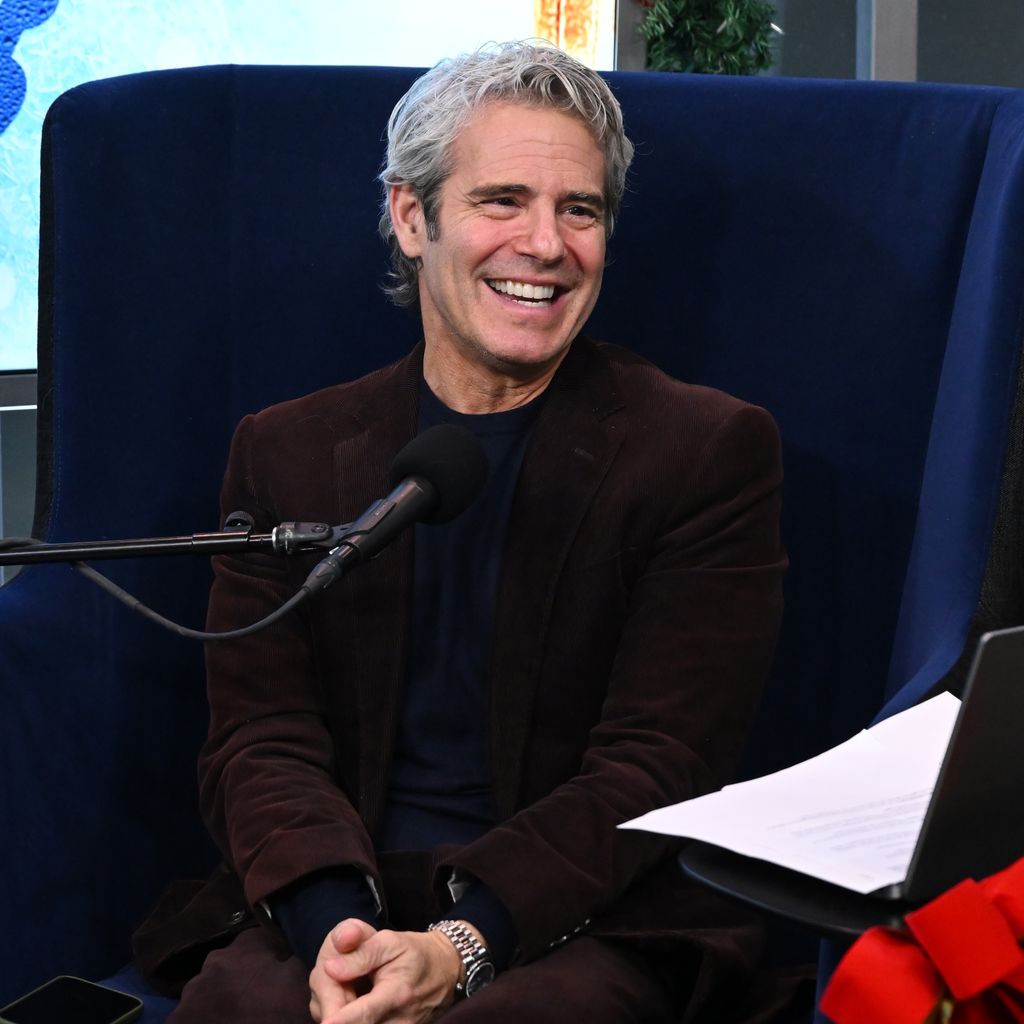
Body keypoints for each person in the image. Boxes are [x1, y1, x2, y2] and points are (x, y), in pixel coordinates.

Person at [137, 40, 789, 1024]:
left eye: (580, 210)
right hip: (337, 898)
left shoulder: (703, 452)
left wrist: (461, 947)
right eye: (503, 201)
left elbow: (659, 762)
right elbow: (259, 741)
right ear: (413, 217)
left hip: (582, 914)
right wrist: (340, 937)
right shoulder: (286, 451)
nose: (545, 244)